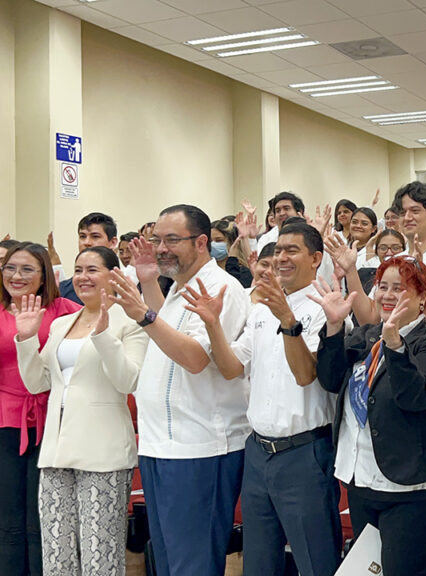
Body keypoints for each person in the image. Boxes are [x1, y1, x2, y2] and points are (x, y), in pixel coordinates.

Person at [182, 220, 341, 576]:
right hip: (258, 452)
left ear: (316, 258)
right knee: (259, 562)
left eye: (292, 250)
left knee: (315, 561)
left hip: (304, 453)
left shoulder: (323, 308)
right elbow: (231, 367)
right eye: (278, 250)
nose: (282, 258)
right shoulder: (260, 309)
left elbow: (305, 375)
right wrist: (212, 325)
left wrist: (287, 319)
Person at [109, 205, 250, 576]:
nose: (161, 248)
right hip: (160, 445)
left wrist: (142, 313)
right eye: (158, 239)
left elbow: (194, 358)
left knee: (193, 562)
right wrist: (149, 282)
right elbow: (168, 331)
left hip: (199, 447)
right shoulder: (179, 287)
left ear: (202, 242)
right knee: (169, 561)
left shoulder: (222, 288)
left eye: (172, 240)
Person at [313, 256, 426, 576]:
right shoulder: (366, 336)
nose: (388, 295)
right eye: (383, 287)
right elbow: (329, 378)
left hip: (413, 491)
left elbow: (416, 397)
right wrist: (335, 327)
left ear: (422, 298)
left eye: (400, 288)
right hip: (362, 480)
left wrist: (395, 347)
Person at [13, 247, 148, 576]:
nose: (83, 277)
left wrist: (103, 336)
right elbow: (36, 383)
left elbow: (128, 380)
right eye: (78, 270)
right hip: (56, 451)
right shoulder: (61, 324)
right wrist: (27, 338)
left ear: (113, 275)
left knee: (99, 555)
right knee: (57, 555)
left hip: (103, 452)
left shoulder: (132, 320)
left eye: (92, 270)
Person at [0, 242, 81, 576]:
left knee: (42, 526)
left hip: (52, 422)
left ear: (44, 276)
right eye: (10, 268)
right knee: (9, 528)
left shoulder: (65, 310)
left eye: (27, 269)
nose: (16, 276)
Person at [58, 213, 120, 305]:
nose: (87, 242)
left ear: (112, 242)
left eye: (95, 236)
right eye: (82, 236)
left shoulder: (126, 288)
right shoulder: (62, 290)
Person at [211, 219, 253, 288]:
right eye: (210, 241)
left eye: (219, 240)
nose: (212, 244)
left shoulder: (244, 272)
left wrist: (232, 260)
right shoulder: (208, 270)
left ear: (232, 242)